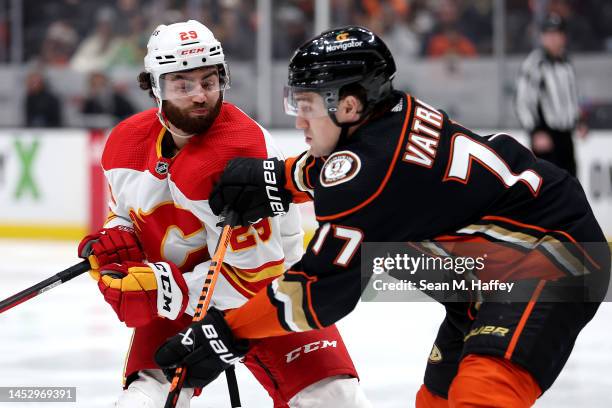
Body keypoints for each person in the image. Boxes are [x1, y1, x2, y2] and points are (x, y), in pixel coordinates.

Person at [155, 26, 610, 407]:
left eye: (306, 106)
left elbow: (314, 294)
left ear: (349, 105)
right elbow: (352, 169)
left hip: (550, 258)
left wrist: (223, 333)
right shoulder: (387, 122)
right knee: (437, 400)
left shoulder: (368, 172)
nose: (299, 122)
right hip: (488, 266)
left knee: (480, 394)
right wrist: (273, 180)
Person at [77, 20, 371, 408]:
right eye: (183, 84)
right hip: (182, 298)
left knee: (336, 400)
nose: (201, 95)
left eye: (210, 80)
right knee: (141, 402)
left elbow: (255, 274)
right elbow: (124, 213)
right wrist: (118, 238)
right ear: (154, 87)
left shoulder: (237, 150)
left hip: (268, 298)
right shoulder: (125, 144)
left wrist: (165, 289)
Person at [515, 13, 585, 177]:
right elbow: (522, 101)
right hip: (546, 137)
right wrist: (535, 131)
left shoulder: (566, 63)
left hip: (566, 137)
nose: (552, 38)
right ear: (542, 37)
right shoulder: (535, 64)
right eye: (548, 34)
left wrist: (579, 121)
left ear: (563, 37)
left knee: (571, 187)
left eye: (556, 34)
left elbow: (571, 96)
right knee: (548, 191)